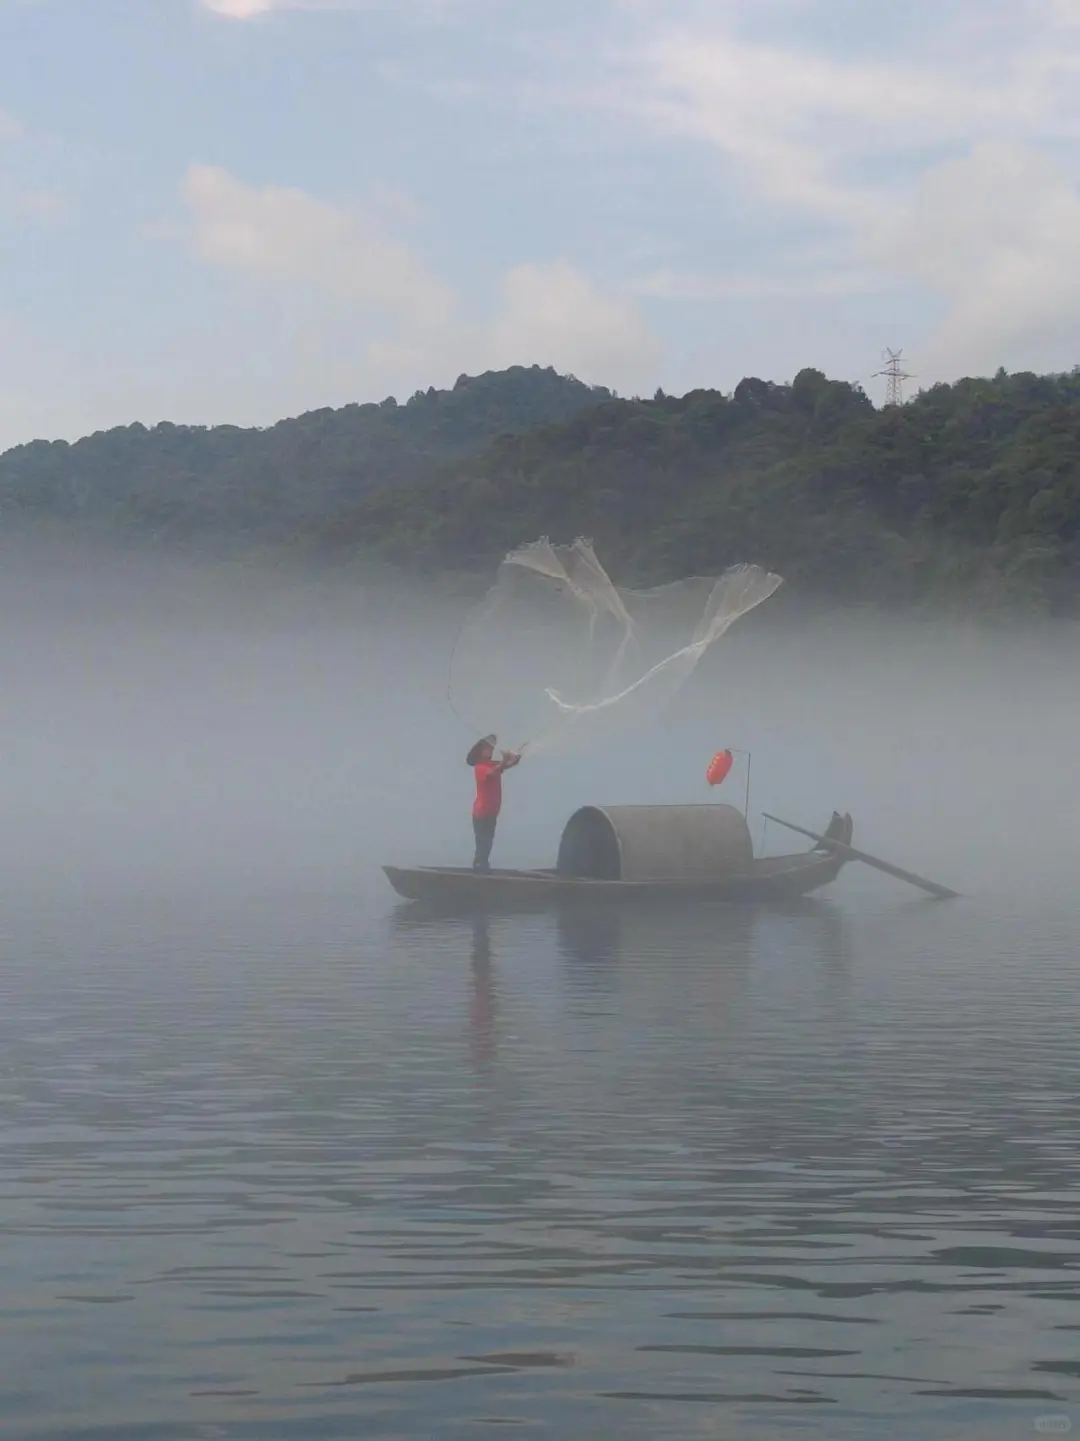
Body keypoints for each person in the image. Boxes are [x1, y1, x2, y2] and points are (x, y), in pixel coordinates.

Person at [466, 735, 520, 872]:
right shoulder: (480, 767)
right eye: (487, 749)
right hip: (482, 812)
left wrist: (513, 760)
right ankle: (479, 867)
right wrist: (505, 760)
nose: (491, 750)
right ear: (480, 751)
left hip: (491, 811)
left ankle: (482, 866)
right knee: (483, 842)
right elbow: (493, 772)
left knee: (488, 841)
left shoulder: (491, 764)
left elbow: (505, 766)